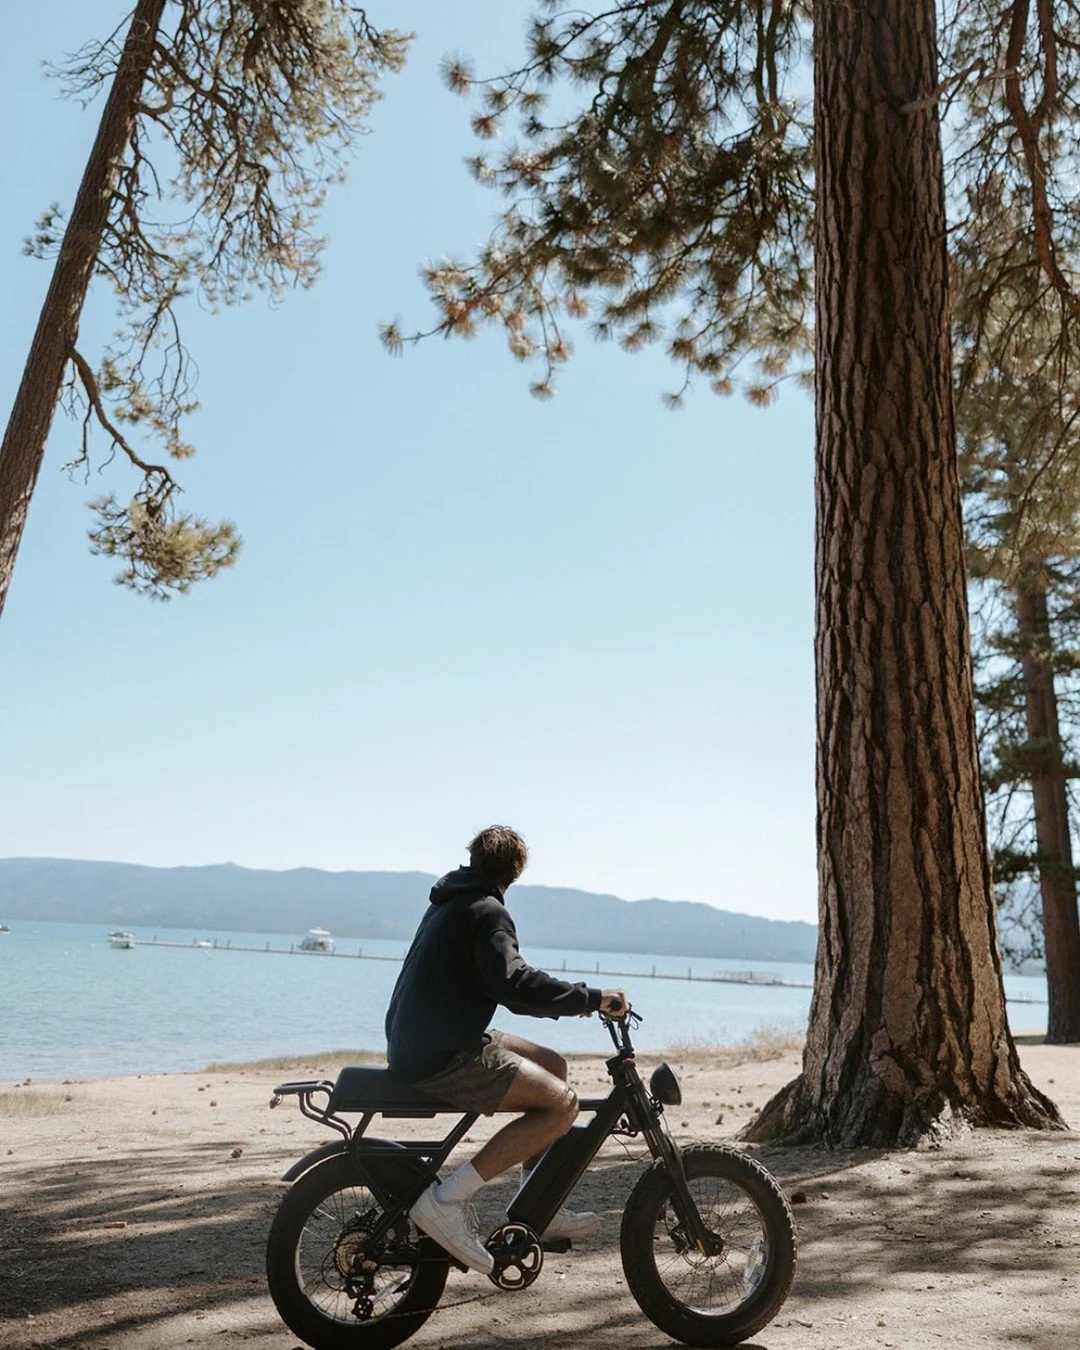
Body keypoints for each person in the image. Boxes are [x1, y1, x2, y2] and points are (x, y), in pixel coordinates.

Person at [384, 824, 627, 1275]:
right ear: (516, 871)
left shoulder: (451, 902)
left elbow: (500, 981)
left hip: (425, 1040)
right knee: (562, 1107)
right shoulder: (487, 911)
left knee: (553, 1066)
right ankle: (446, 1200)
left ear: (474, 859)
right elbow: (514, 985)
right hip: (445, 1054)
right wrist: (591, 998)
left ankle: (539, 1202)